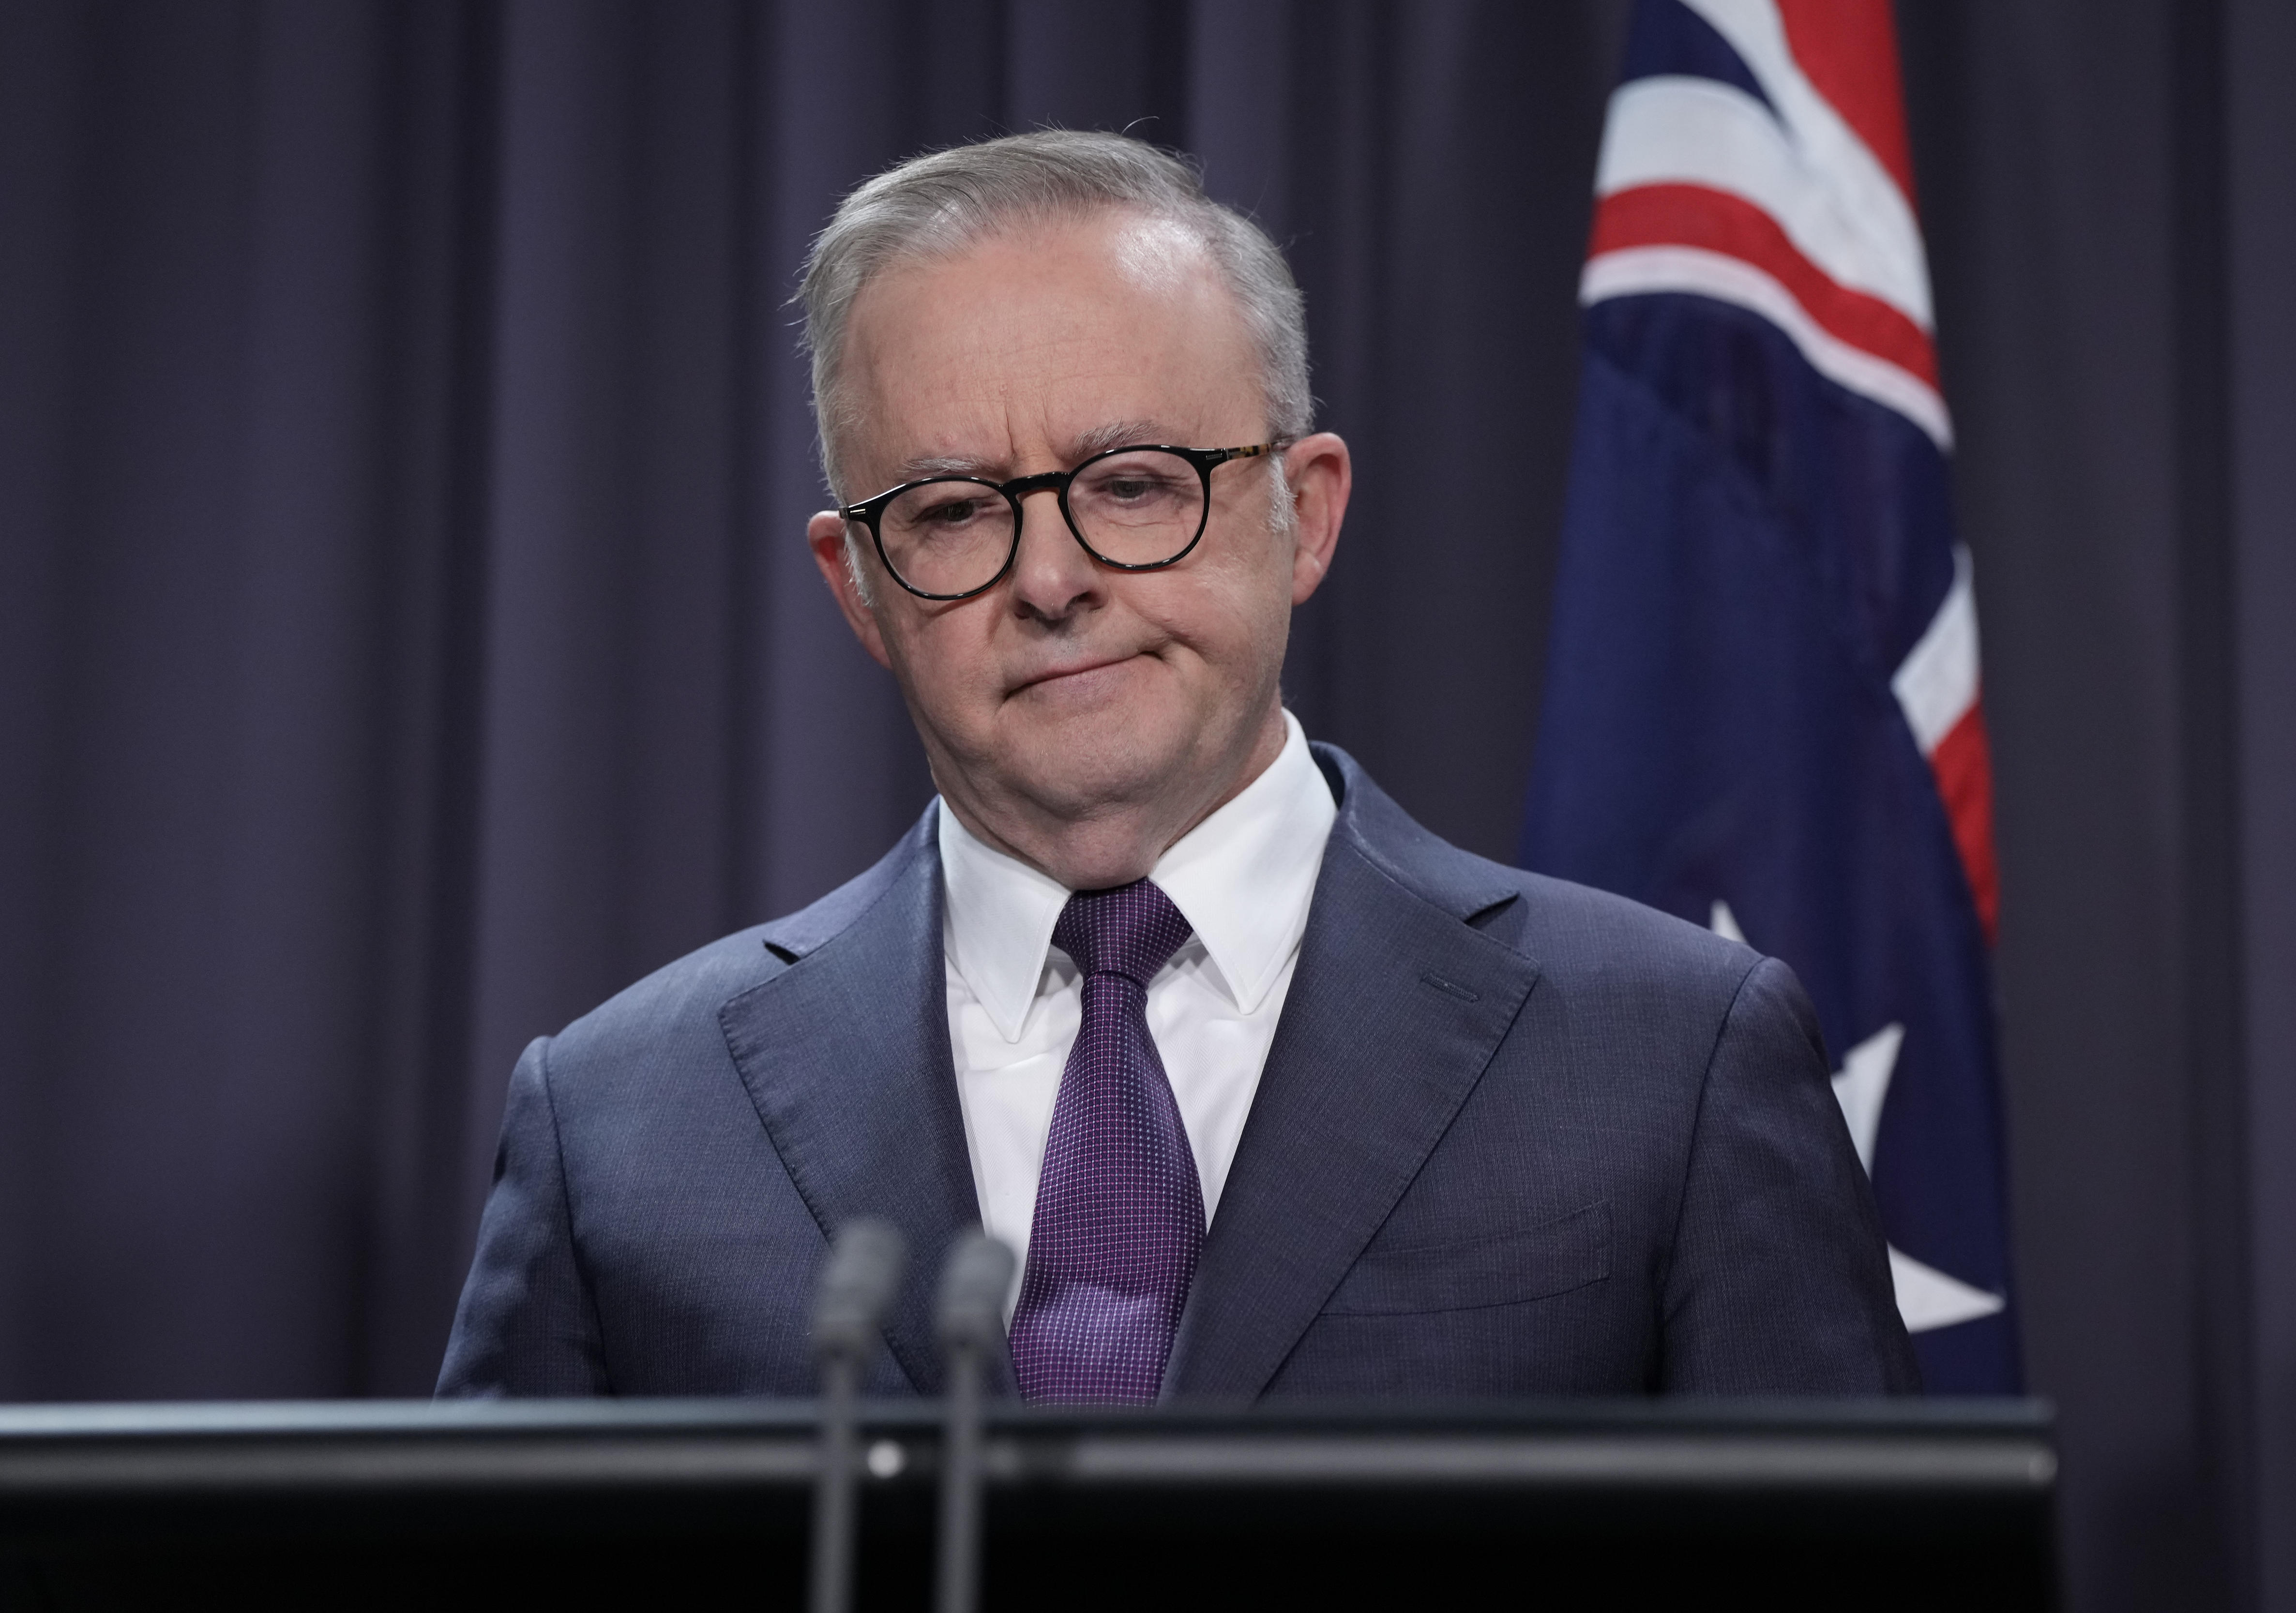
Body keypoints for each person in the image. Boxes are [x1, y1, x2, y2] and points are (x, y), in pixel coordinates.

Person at [438, 130, 1917, 1402]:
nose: (1054, 577)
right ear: (859, 589)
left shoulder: (1670, 1063)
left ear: (1307, 513)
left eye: (1133, 484)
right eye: (954, 511)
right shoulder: (625, 1123)